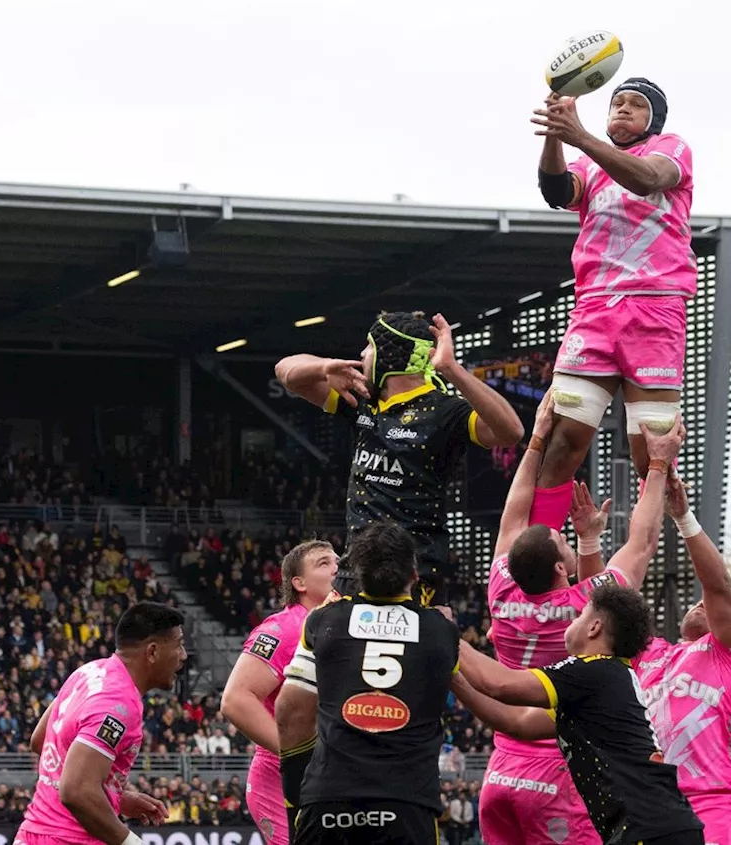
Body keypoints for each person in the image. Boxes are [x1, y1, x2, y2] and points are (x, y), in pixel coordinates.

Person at [479, 394, 683, 845]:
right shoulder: (586, 606)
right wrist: (657, 465)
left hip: (501, 773)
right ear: (559, 568)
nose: (562, 533)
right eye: (562, 540)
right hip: (560, 774)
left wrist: (536, 439)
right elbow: (644, 541)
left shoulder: (501, 584)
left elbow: (513, 515)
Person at [528, 77, 696, 533]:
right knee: (563, 440)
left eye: (635, 105)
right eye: (616, 102)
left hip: (654, 311)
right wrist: (555, 137)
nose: (622, 109)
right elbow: (556, 191)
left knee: (652, 454)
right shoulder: (589, 162)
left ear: (654, 120)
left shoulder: (671, 148)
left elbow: (648, 180)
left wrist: (577, 133)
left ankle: (637, 568)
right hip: (596, 311)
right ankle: (535, 564)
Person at [274, 310, 524, 604]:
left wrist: (450, 368)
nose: (362, 354)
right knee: (330, 648)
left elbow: (511, 431)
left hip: (415, 574)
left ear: (388, 356)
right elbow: (285, 371)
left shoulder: (446, 410)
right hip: (357, 570)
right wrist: (325, 367)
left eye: (369, 347)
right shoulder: (361, 398)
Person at [453, 584, 706, 845]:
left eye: (580, 614)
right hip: (655, 827)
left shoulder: (594, 671)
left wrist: (444, 633)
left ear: (594, 627)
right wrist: (454, 677)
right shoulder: (600, 686)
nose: (572, 620)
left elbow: (500, 684)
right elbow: (516, 723)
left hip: (649, 830)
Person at [275, 521, 461, 845]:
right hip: (406, 804)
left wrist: (295, 798)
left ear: (357, 573)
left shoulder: (323, 620)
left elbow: (290, 711)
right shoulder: (439, 630)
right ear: (414, 574)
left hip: (328, 799)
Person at [635, 473, 731, 845]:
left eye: (710, 605)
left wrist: (684, 517)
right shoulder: (653, 654)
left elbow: (718, 584)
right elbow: (605, 610)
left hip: (714, 803)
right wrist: (590, 540)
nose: (701, 603)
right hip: (653, 804)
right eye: (697, 601)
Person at [17, 602, 187, 845]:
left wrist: (115, 796)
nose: (183, 655)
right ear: (152, 652)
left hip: (34, 834)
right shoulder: (118, 704)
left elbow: (40, 741)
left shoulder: (87, 672)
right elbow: (76, 791)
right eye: (178, 644)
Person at [220, 541, 340, 845]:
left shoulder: (340, 624)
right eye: (324, 563)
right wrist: (299, 757)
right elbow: (236, 699)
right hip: (280, 778)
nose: (337, 568)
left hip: (329, 776)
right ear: (298, 583)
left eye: (338, 561)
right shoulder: (283, 628)